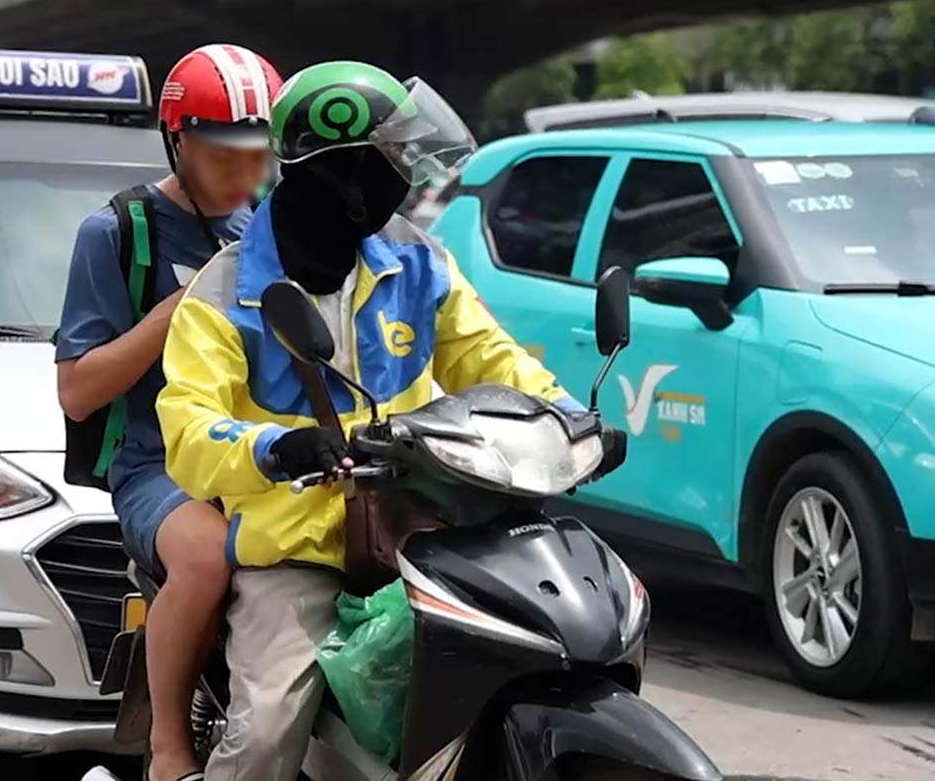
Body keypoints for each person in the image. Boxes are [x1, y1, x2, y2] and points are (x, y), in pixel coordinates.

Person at [155, 61, 628, 781]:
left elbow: (488, 357)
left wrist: (569, 417)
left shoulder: (415, 259)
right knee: (264, 737)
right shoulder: (224, 294)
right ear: (341, 172)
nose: (405, 174)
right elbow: (188, 433)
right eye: (391, 158)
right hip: (303, 549)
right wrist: (277, 450)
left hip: (431, 524)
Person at [55, 44, 282, 781]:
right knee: (207, 554)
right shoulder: (120, 232)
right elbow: (78, 390)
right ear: (177, 140)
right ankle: (166, 753)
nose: (244, 177)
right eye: (224, 157)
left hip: (260, 452)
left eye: (258, 158)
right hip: (161, 465)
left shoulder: (265, 232)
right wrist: (177, 313)